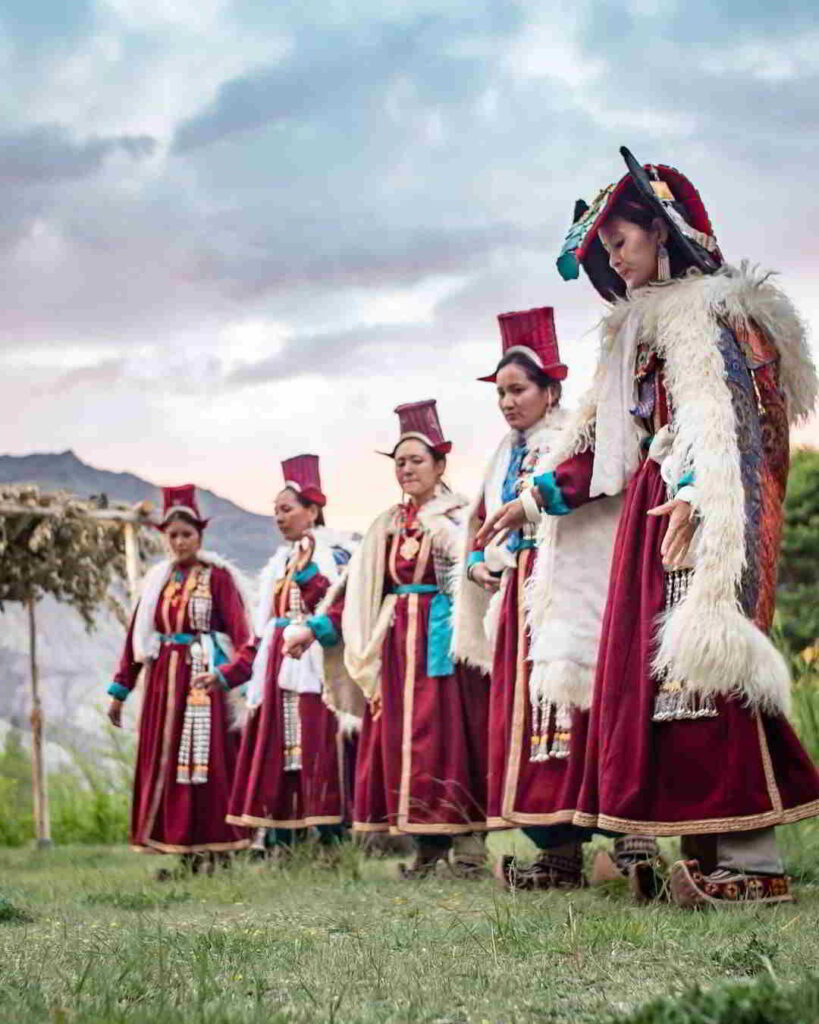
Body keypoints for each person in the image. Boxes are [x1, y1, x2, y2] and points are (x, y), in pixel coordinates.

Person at [478, 146, 819, 907]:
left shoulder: (714, 314)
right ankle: (706, 851)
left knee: (712, 671)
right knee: (662, 687)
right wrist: (532, 499)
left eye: (620, 241)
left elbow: (734, 421)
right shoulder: (632, 334)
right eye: (604, 248)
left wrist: (697, 492)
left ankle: (753, 858)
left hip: (695, 516)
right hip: (648, 516)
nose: (613, 257)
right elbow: (601, 444)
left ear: (661, 232)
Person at [454, 307, 626, 889]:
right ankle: (556, 850)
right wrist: (478, 562)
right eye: (500, 392)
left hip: (570, 586)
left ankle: (625, 837)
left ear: (551, 390)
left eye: (518, 389)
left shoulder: (574, 437)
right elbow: (478, 524)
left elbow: (598, 497)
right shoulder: (501, 454)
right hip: (521, 593)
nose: (507, 402)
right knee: (529, 719)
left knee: (581, 704)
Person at [292, 401, 489, 878]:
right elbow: (357, 591)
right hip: (398, 649)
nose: (406, 469)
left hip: (446, 647)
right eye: (399, 462)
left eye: (416, 460)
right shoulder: (387, 524)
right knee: (406, 745)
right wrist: (316, 626)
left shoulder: (461, 517)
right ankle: (425, 850)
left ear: (440, 465)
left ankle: (468, 850)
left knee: (450, 741)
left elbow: (478, 574)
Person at [194, 456, 361, 860]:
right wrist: (228, 674)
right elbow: (262, 634)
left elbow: (338, 608)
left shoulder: (336, 555)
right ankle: (286, 846)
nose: (279, 518)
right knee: (282, 761)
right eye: (275, 511)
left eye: (286, 509)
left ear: (313, 510)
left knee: (321, 754)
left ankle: (333, 848)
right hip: (278, 675)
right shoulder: (279, 565)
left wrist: (308, 585)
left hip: (319, 673)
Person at [108, 484, 252, 876]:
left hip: (204, 682)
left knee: (207, 765)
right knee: (170, 766)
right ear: (164, 537)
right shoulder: (157, 583)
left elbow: (244, 637)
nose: (180, 541)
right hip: (163, 687)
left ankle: (217, 852)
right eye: (173, 534)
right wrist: (121, 691)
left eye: (187, 533)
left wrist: (227, 675)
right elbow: (136, 640)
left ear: (200, 536)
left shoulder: (219, 579)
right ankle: (183, 852)